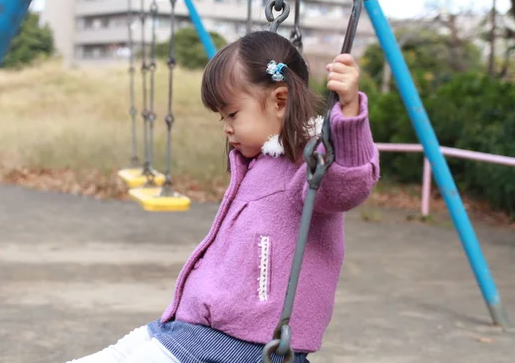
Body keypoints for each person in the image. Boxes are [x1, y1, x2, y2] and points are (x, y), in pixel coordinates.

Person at [65, 30, 380, 363]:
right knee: (117, 352)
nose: (226, 127)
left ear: (280, 101)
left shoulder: (308, 164)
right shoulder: (258, 163)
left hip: (247, 344)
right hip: (197, 329)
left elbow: (348, 185)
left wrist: (347, 115)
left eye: (232, 115)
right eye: (222, 118)